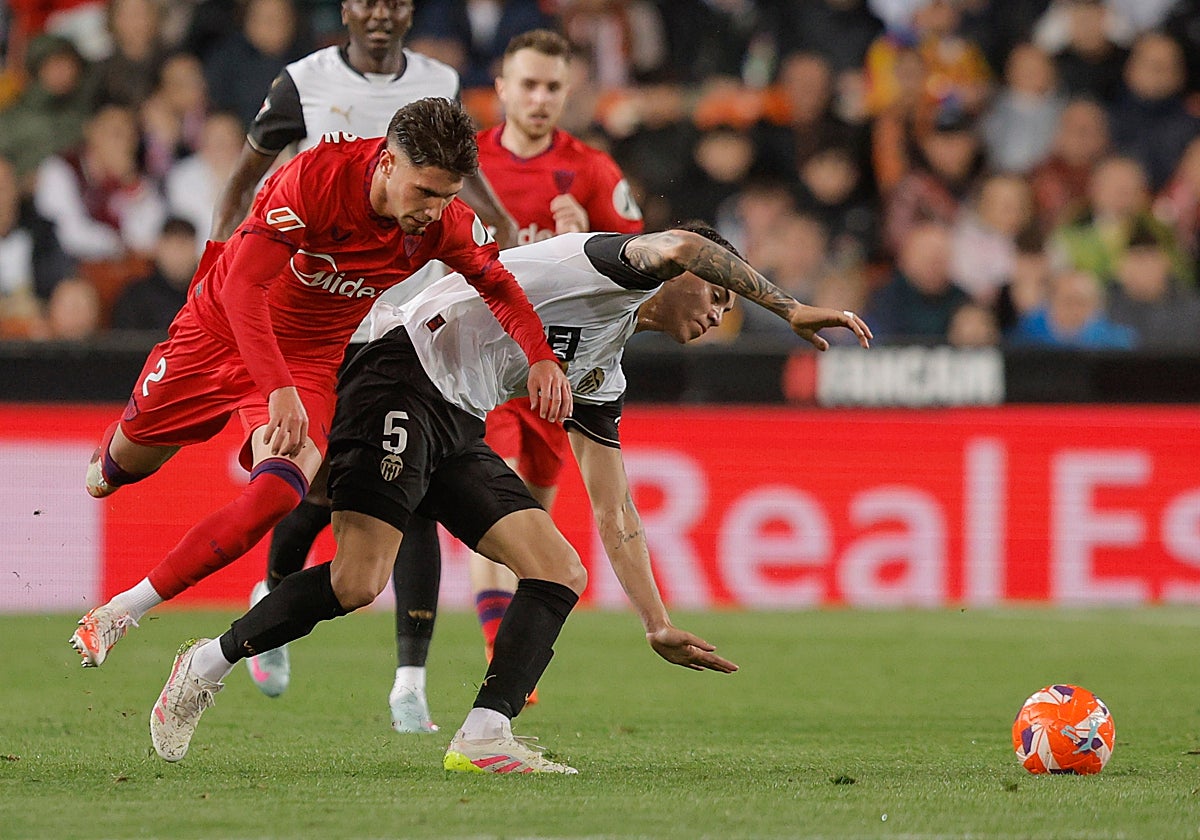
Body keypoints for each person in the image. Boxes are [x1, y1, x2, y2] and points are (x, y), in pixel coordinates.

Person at [143, 224, 873, 772]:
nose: (718, 314)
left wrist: (656, 622)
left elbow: (615, 510)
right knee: (359, 581)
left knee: (560, 569)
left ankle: (486, 733)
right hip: (398, 369)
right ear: (680, 275)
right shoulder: (612, 264)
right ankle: (205, 665)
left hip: (456, 416)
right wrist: (787, 306)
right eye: (716, 294)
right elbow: (684, 241)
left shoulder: (603, 367)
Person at [67, 97, 571, 669]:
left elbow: (499, 285)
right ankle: (114, 454)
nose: (433, 210)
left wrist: (540, 356)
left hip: (306, 360)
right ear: (387, 162)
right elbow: (242, 289)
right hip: (219, 331)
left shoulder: (442, 224)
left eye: (446, 196)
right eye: (424, 192)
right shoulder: (316, 178)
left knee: (278, 494)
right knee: (115, 473)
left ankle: (121, 611)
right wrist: (276, 389)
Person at [216, 0, 518, 702]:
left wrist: (501, 238)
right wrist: (219, 269)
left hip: (411, 319)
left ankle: (410, 682)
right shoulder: (302, 81)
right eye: (367, 1)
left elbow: (470, 190)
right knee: (319, 484)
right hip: (323, 314)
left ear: (410, 11)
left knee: (411, 488)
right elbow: (245, 177)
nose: (380, 13)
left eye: (394, 2)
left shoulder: (441, 82)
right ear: (346, 9)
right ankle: (271, 604)